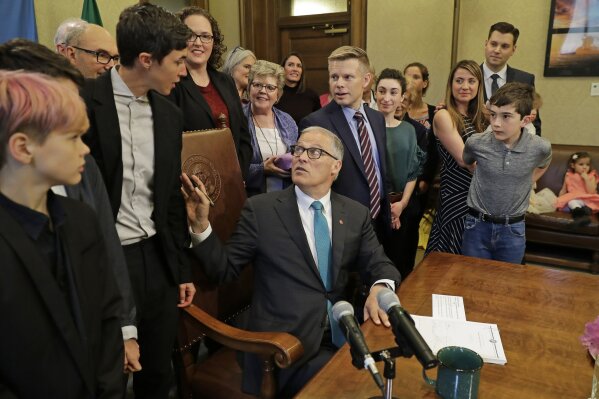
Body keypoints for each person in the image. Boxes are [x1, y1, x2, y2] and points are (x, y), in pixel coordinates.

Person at [182, 126, 401, 397]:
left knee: (394, 379)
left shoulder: (355, 213)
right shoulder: (261, 211)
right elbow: (223, 270)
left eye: (314, 152)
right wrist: (201, 225)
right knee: (356, 389)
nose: (301, 157)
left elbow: (381, 264)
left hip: (344, 333)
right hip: (283, 348)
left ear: (336, 167)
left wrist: (380, 287)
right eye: (298, 149)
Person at [0, 38, 140, 374]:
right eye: (68, 131)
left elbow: (108, 252)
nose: (84, 147)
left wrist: (123, 331)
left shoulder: (79, 215)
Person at [81, 4, 195, 398]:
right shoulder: (83, 104)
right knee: (109, 374)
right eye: (178, 61)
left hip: (158, 260)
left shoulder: (168, 112)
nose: (184, 71)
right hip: (108, 260)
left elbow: (170, 199)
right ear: (146, 60)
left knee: (157, 373)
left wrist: (180, 268)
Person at [299, 46, 392, 238]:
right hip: (340, 224)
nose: (339, 84)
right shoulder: (317, 122)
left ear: (366, 80)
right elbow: (310, 184)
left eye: (348, 77)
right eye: (334, 77)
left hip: (379, 220)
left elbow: (379, 168)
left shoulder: (377, 119)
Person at [461, 83, 551, 263]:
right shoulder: (476, 143)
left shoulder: (540, 147)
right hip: (476, 225)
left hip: (513, 229)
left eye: (506, 116)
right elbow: (468, 161)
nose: (496, 123)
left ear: (525, 120)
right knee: (471, 280)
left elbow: (543, 164)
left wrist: (529, 180)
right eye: (493, 114)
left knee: (506, 284)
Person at [170, 6, 252, 179]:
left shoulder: (226, 81)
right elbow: (170, 143)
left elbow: (243, 136)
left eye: (206, 36)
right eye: (190, 35)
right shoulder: (171, 83)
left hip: (232, 182)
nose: (198, 42)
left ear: (214, 41)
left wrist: (238, 174)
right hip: (194, 184)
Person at [425, 60, 487, 256]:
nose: (465, 86)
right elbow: (465, 160)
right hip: (457, 197)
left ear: (479, 85)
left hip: (480, 197)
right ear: (451, 84)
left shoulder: (481, 118)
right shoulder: (444, 116)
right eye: (459, 80)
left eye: (471, 81)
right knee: (451, 259)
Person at [376, 68, 425, 278]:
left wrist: (402, 204)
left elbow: (413, 171)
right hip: (374, 206)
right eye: (382, 91)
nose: (387, 98)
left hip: (401, 205)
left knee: (400, 263)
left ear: (402, 96)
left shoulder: (408, 130)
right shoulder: (365, 125)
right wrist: (387, 206)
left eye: (393, 92)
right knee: (376, 262)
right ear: (375, 92)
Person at [244, 60, 298, 196]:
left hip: (285, 198)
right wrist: (262, 168)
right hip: (250, 199)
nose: (263, 91)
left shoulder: (288, 121)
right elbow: (231, 169)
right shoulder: (238, 119)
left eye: (270, 87)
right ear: (249, 88)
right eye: (257, 85)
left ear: (278, 94)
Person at [482, 21, 541, 135]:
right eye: (493, 44)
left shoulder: (525, 80)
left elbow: (534, 123)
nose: (497, 50)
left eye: (504, 46)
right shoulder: (469, 78)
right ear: (486, 44)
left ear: (513, 50)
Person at [275, 52, 321, 125]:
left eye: (299, 66)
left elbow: (318, 123)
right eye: (290, 65)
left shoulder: (312, 95)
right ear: (282, 68)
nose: (295, 69)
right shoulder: (274, 93)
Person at [556, 151, 599, 225]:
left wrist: (586, 179)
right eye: (581, 164)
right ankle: (582, 215)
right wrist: (558, 200)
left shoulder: (591, 176)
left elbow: (591, 191)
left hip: (588, 200)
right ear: (573, 165)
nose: (585, 167)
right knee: (570, 203)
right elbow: (563, 189)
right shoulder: (569, 175)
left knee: (573, 204)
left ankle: (582, 212)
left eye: (587, 165)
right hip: (574, 198)